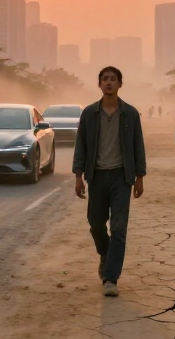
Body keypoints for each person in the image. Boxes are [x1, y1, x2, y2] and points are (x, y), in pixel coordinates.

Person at [72, 66, 146, 298]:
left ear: (120, 84)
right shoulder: (89, 114)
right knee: (95, 224)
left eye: (113, 79)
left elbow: (138, 146)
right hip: (97, 177)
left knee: (119, 229)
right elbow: (81, 145)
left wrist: (140, 177)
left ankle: (110, 278)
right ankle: (106, 254)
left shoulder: (130, 114)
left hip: (122, 178)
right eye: (105, 79)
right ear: (99, 84)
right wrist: (78, 175)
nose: (109, 83)